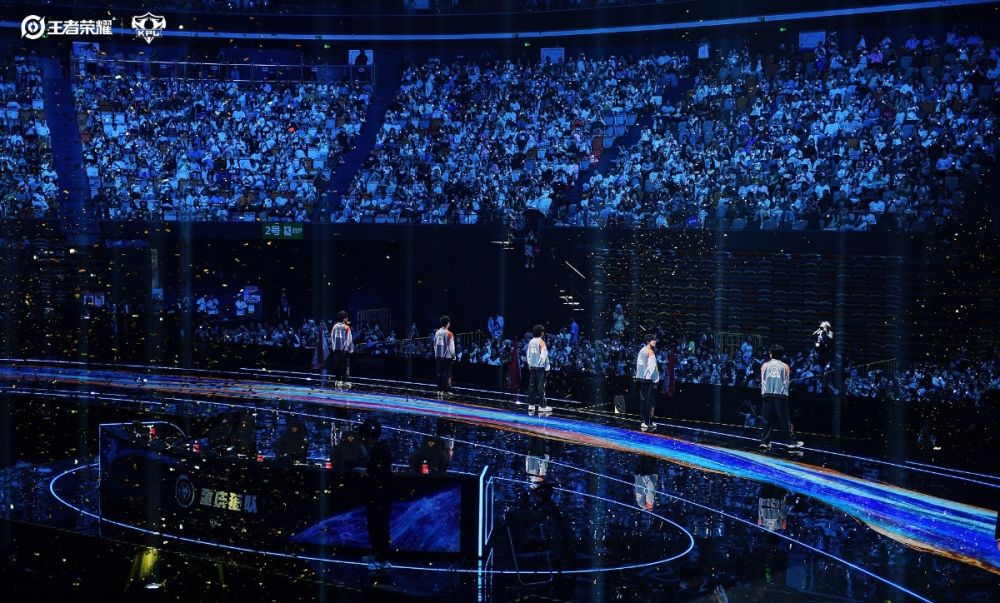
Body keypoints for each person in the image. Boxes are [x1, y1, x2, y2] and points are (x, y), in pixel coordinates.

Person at [359, 418, 392, 571]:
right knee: (374, 524)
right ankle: (375, 553)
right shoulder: (376, 448)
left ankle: (382, 559)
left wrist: (365, 472)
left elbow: (377, 470)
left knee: (380, 526)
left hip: (381, 493)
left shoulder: (381, 449)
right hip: (375, 493)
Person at [759, 345, 803, 451]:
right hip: (781, 396)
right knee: (785, 420)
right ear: (781, 355)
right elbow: (785, 382)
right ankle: (791, 442)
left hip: (766, 395)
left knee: (767, 420)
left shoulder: (764, 365)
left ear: (770, 354)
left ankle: (765, 442)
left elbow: (763, 380)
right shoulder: (785, 366)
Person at [635, 333, 660, 431]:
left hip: (641, 379)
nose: (655, 341)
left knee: (644, 400)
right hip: (648, 379)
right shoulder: (650, 351)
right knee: (649, 401)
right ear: (648, 341)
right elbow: (653, 368)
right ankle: (647, 422)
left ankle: (644, 421)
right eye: (653, 340)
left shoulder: (642, 350)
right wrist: (656, 381)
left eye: (655, 339)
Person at [526, 324, 552, 413]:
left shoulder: (531, 342)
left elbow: (528, 355)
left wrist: (530, 365)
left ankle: (531, 405)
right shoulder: (542, 342)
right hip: (540, 368)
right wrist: (547, 368)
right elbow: (544, 356)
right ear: (541, 333)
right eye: (543, 332)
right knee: (541, 387)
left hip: (532, 367)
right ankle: (542, 406)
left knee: (532, 387)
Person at [433, 315, 455, 398]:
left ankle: (439, 390)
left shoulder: (437, 332)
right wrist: (454, 357)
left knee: (439, 373)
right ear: (448, 323)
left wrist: (436, 354)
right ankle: (447, 390)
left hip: (439, 357)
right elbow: (451, 347)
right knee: (447, 374)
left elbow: (434, 344)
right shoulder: (449, 333)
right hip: (447, 357)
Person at [330, 310, 354, 389]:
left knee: (338, 365)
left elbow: (332, 337)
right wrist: (348, 348)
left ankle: (337, 381)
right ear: (344, 319)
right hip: (344, 350)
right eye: (346, 318)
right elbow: (349, 339)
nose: (347, 319)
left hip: (337, 350)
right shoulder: (346, 327)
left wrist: (333, 347)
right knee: (345, 366)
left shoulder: (335, 326)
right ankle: (344, 382)